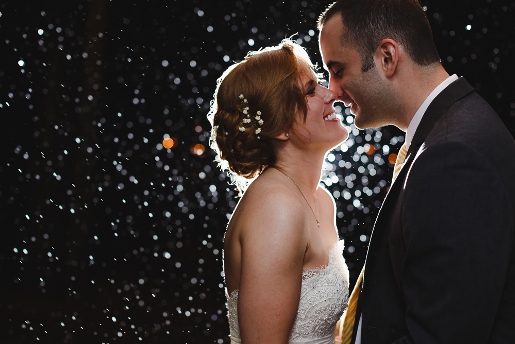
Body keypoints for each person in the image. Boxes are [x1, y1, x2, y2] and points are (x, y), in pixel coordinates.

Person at [317, 1, 515, 343]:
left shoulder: (453, 157)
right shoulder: (451, 133)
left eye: (338, 69)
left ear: (387, 57)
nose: (332, 91)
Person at [207, 39, 350, 343]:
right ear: (278, 127)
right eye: (310, 91)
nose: (331, 93)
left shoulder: (321, 201)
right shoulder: (276, 208)